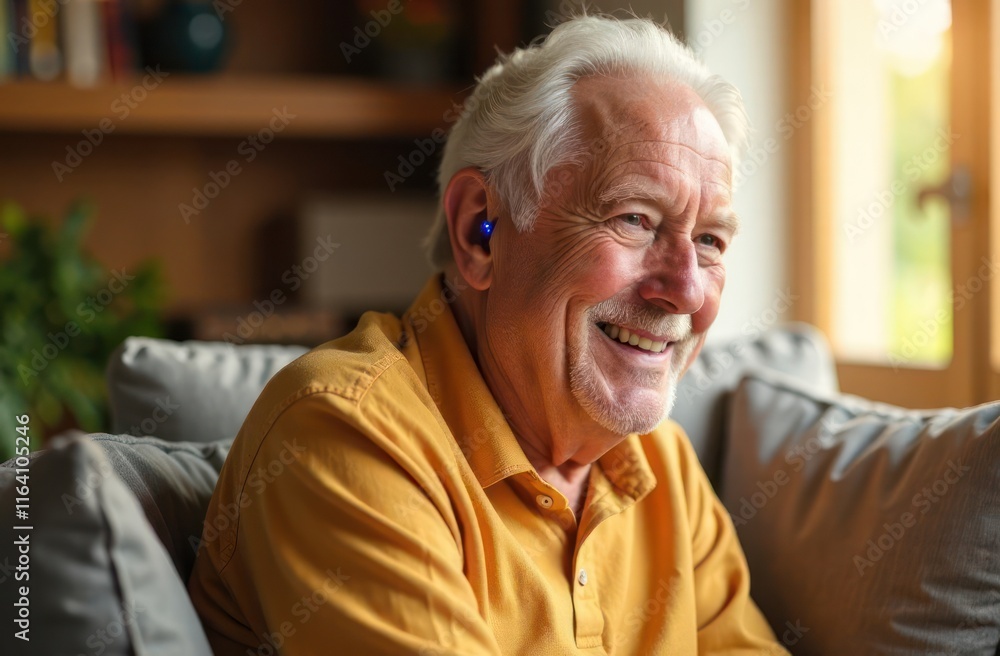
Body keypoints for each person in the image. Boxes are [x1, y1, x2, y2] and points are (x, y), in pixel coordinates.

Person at [189, 14, 788, 655]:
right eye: (634, 219)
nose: (688, 290)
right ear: (482, 229)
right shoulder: (342, 432)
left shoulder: (660, 464)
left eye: (708, 241)